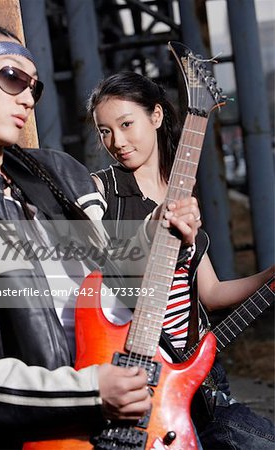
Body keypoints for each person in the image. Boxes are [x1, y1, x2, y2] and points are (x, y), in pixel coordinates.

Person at [0, 25, 203, 450]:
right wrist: (89, 391)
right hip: (48, 434)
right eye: (10, 78)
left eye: (34, 87)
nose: (27, 97)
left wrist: (153, 239)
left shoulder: (58, 173)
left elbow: (105, 280)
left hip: (139, 411)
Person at [87, 71, 275, 449]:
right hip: (137, 374)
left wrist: (270, 275)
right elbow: (92, 275)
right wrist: (148, 231)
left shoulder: (181, 190)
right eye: (105, 131)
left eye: (126, 124)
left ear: (156, 116)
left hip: (201, 375)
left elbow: (211, 292)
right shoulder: (100, 190)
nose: (117, 142)